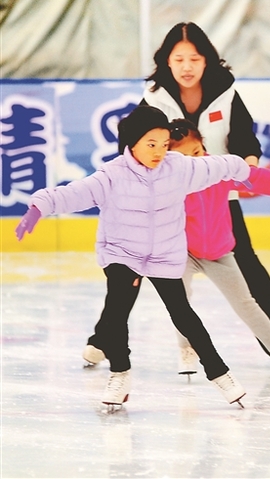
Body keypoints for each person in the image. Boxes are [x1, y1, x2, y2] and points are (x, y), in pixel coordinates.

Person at [15, 106, 252, 409]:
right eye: (151, 144)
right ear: (133, 143)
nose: (159, 152)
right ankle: (120, 373)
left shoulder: (177, 168)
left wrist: (242, 170)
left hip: (164, 251)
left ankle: (220, 373)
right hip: (122, 251)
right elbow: (75, 192)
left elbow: (214, 167)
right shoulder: (113, 175)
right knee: (116, 312)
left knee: (183, 314)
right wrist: (40, 206)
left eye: (165, 145)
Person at [137, 21, 270, 356]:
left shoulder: (226, 92)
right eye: (179, 59)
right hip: (172, 203)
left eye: (194, 59)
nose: (186, 67)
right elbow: (139, 145)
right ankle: (103, 341)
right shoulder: (153, 98)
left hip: (218, 198)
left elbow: (243, 137)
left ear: (206, 60)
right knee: (145, 270)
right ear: (167, 61)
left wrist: (248, 164)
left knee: (249, 267)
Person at [167, 119, 270, 378]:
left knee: (246, 303)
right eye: (184, 158)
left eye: (197, 153)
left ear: (203, 145)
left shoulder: (220, 169)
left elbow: (259, 178)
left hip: (219, 252)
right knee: (179, 298)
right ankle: (186, 347)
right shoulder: (168, 179)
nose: (194, 163)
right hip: (183, 251)